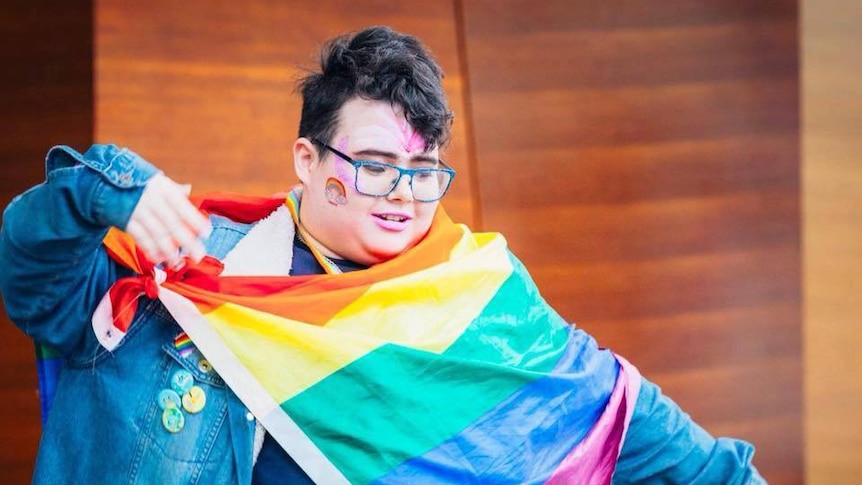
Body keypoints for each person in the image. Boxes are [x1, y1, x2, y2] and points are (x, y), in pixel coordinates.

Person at [0, 26, 766, 484]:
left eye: (424, 171)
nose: (401, 193)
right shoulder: (187, 272)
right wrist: (104, 189)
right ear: (307, 158)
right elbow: (33, 281)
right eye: (373, 164)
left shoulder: (476, 300)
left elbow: (667, 449)